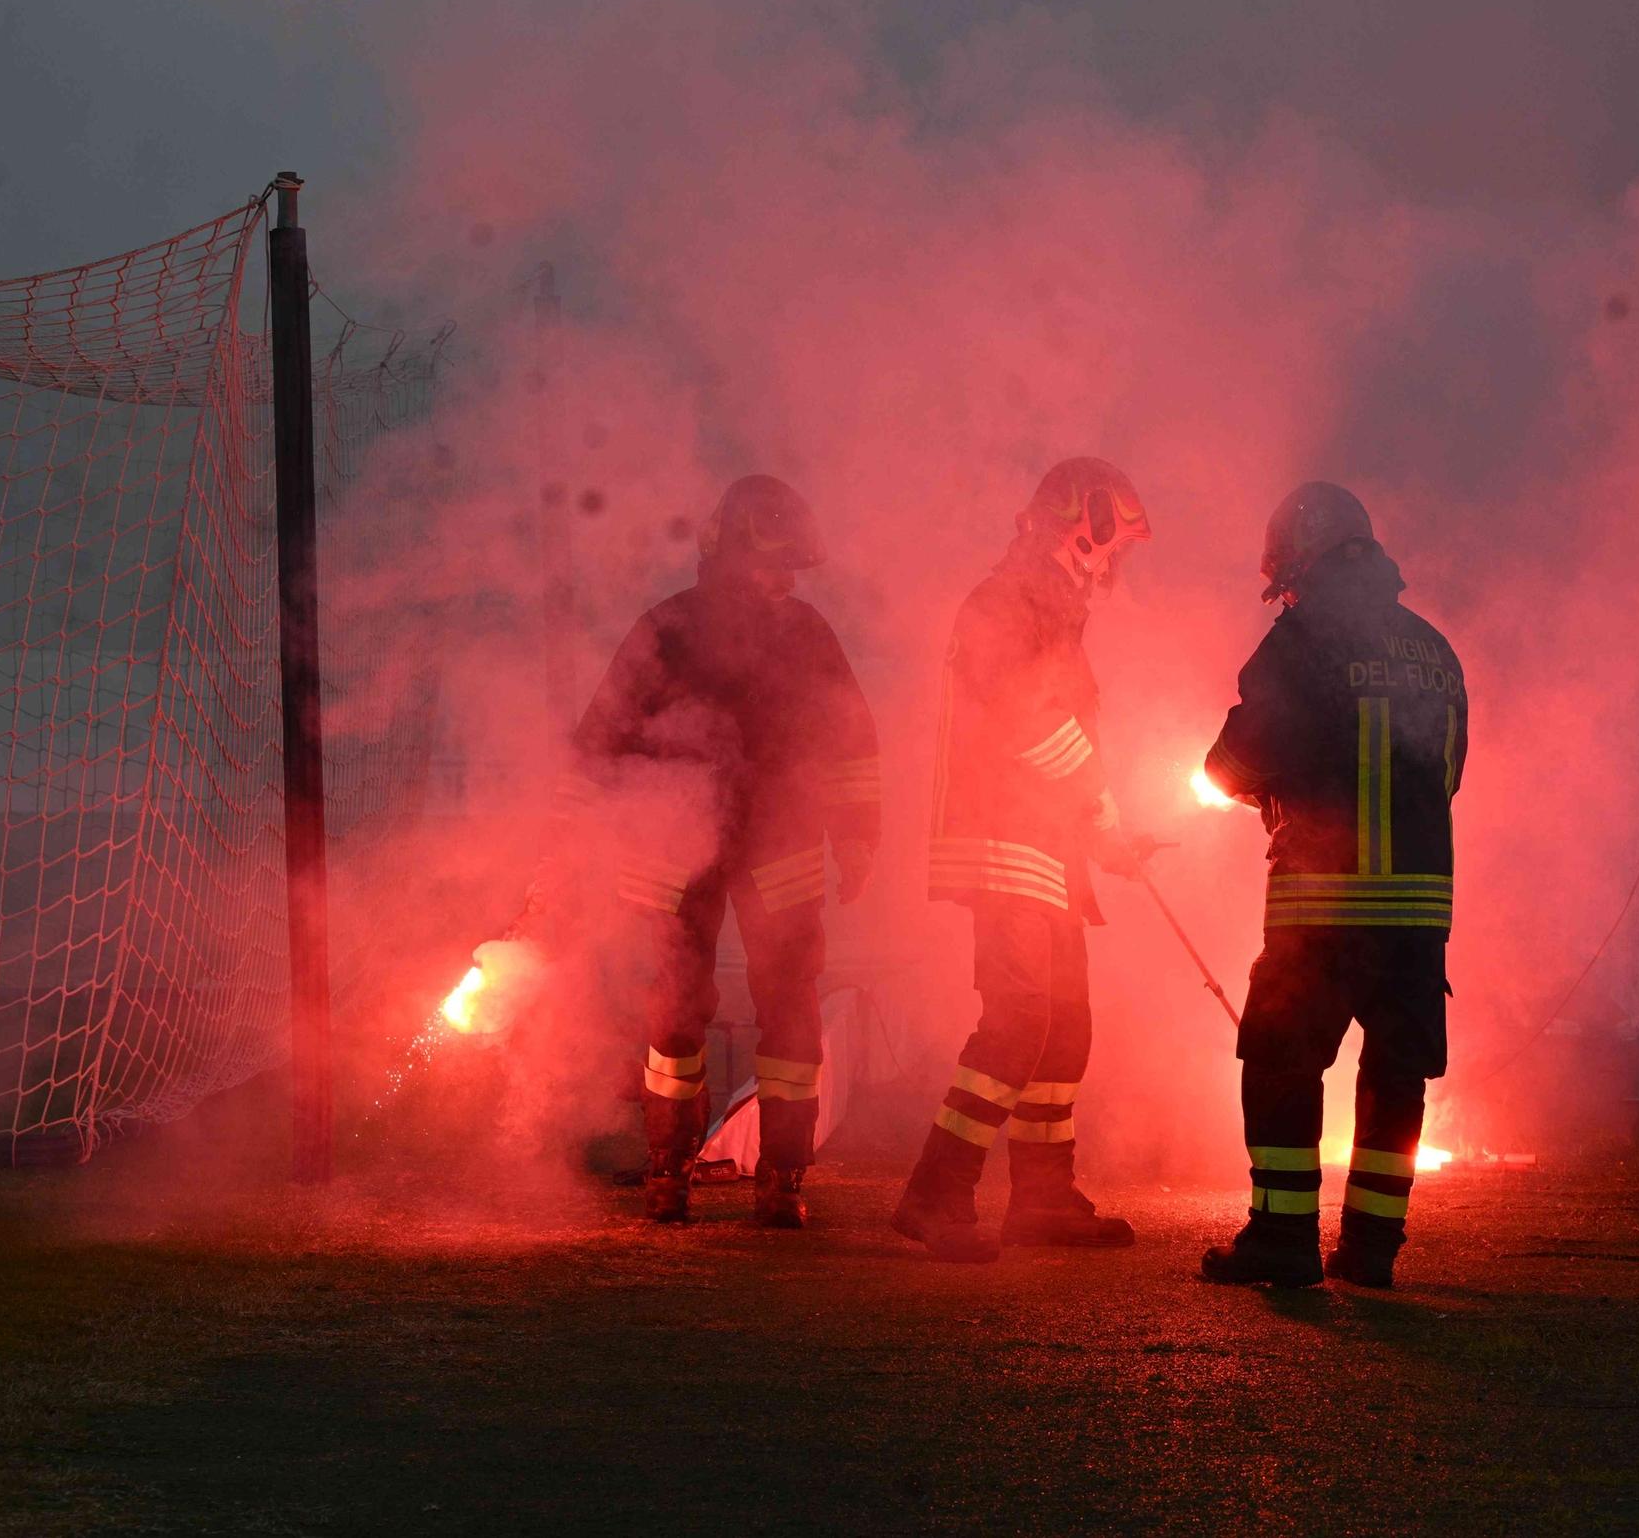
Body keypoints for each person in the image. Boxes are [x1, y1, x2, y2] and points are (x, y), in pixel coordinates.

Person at [570, 475, 880, 1227]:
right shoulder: (689, 630)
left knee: (780, 1016)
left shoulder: (752, 630)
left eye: (793, 571)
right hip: (687, 853)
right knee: (682, 1018)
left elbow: (849, 742)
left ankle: (761, 1180)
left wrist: (859, 831)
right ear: (734, 555)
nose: (786, 582)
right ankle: (680, 1173)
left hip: (760, 848)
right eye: (776, 566)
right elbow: (601, 744)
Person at [1196, 483, 1468, 1289]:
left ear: (1300, 565)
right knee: (1396, 1072)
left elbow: (1238, 761)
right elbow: (1447, 775)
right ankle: (1373, 1252)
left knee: (1281, 1058)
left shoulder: (1298, 644)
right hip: (1418, 913)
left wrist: (1245, 788)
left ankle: (1283, 1239)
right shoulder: (1435, 651)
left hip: (1321, 907)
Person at [891, 458, 1157, 1263]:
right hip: (1000, 838)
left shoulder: (1050, 611)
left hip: (1044, 843)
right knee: (1017, 1023)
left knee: (1064, 1025)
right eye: (1114, 545)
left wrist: (1107, 834)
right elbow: (1022, 717)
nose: (1114, 564)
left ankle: (1041, 1198)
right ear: (1088, 527)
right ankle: (935, 1197)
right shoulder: (1007, 603)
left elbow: (1062, 735)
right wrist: (1096, 797)